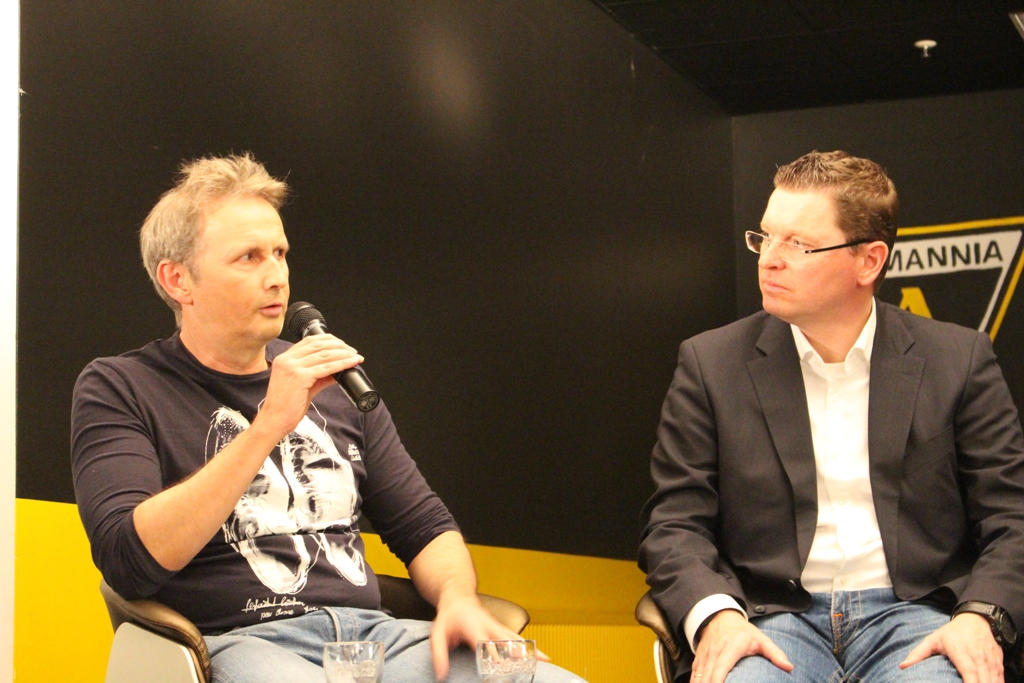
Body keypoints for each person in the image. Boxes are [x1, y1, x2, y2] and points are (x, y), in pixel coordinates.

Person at [72, 153, 585, 683]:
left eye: (280, 253)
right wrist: (269, 423)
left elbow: (423, 525)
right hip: (237, 642)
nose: (277, 277)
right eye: (248, 257)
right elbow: (128, 561)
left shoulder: (335, 383)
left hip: (373, 640)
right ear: (179, 280)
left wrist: (457, 597)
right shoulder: (120, 386)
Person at [639, 150, 1024, 683]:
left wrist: (980, 617)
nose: (769, 259)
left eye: (798, 244)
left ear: (869, 261)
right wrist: (716, 615)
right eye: (765, 237)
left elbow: (1011, 518)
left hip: (919, 615)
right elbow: (674, 524)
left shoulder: (958, 360)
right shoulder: (710, 363)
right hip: (768, 617)